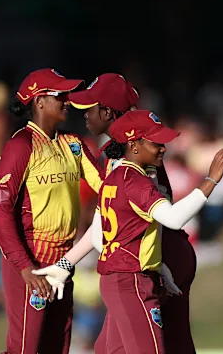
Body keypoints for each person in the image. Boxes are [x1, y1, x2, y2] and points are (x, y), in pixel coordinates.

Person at [33, 73, 199, 353]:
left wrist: (66, 263)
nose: (83, 114)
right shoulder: (124, 153)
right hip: (149, 258)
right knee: (113, 348)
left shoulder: (131, 157)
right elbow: (106, 224)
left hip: (153, 258)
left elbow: (107, 228)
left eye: (89, 108)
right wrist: (65, 264)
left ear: (107, 112)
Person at [95, 110, 223, 354]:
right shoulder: (135, 181)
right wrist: (211, 180)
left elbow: (106, 237)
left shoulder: (115, 175)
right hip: (131, 281)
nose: (163, 148)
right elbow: (173, 219)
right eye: (156, 142)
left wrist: (157, 266)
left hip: (118, 276)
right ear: (134, 145)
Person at [0, 68, 104, 354]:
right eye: (60, 96)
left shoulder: (73, 144)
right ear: (38, 101)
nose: (68, 101)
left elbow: (108, 189)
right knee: (26, 348)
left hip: (64, 261)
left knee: (57, 346)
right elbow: (0, 209)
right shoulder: (21, 145)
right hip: (31, 258)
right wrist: (25, 267)